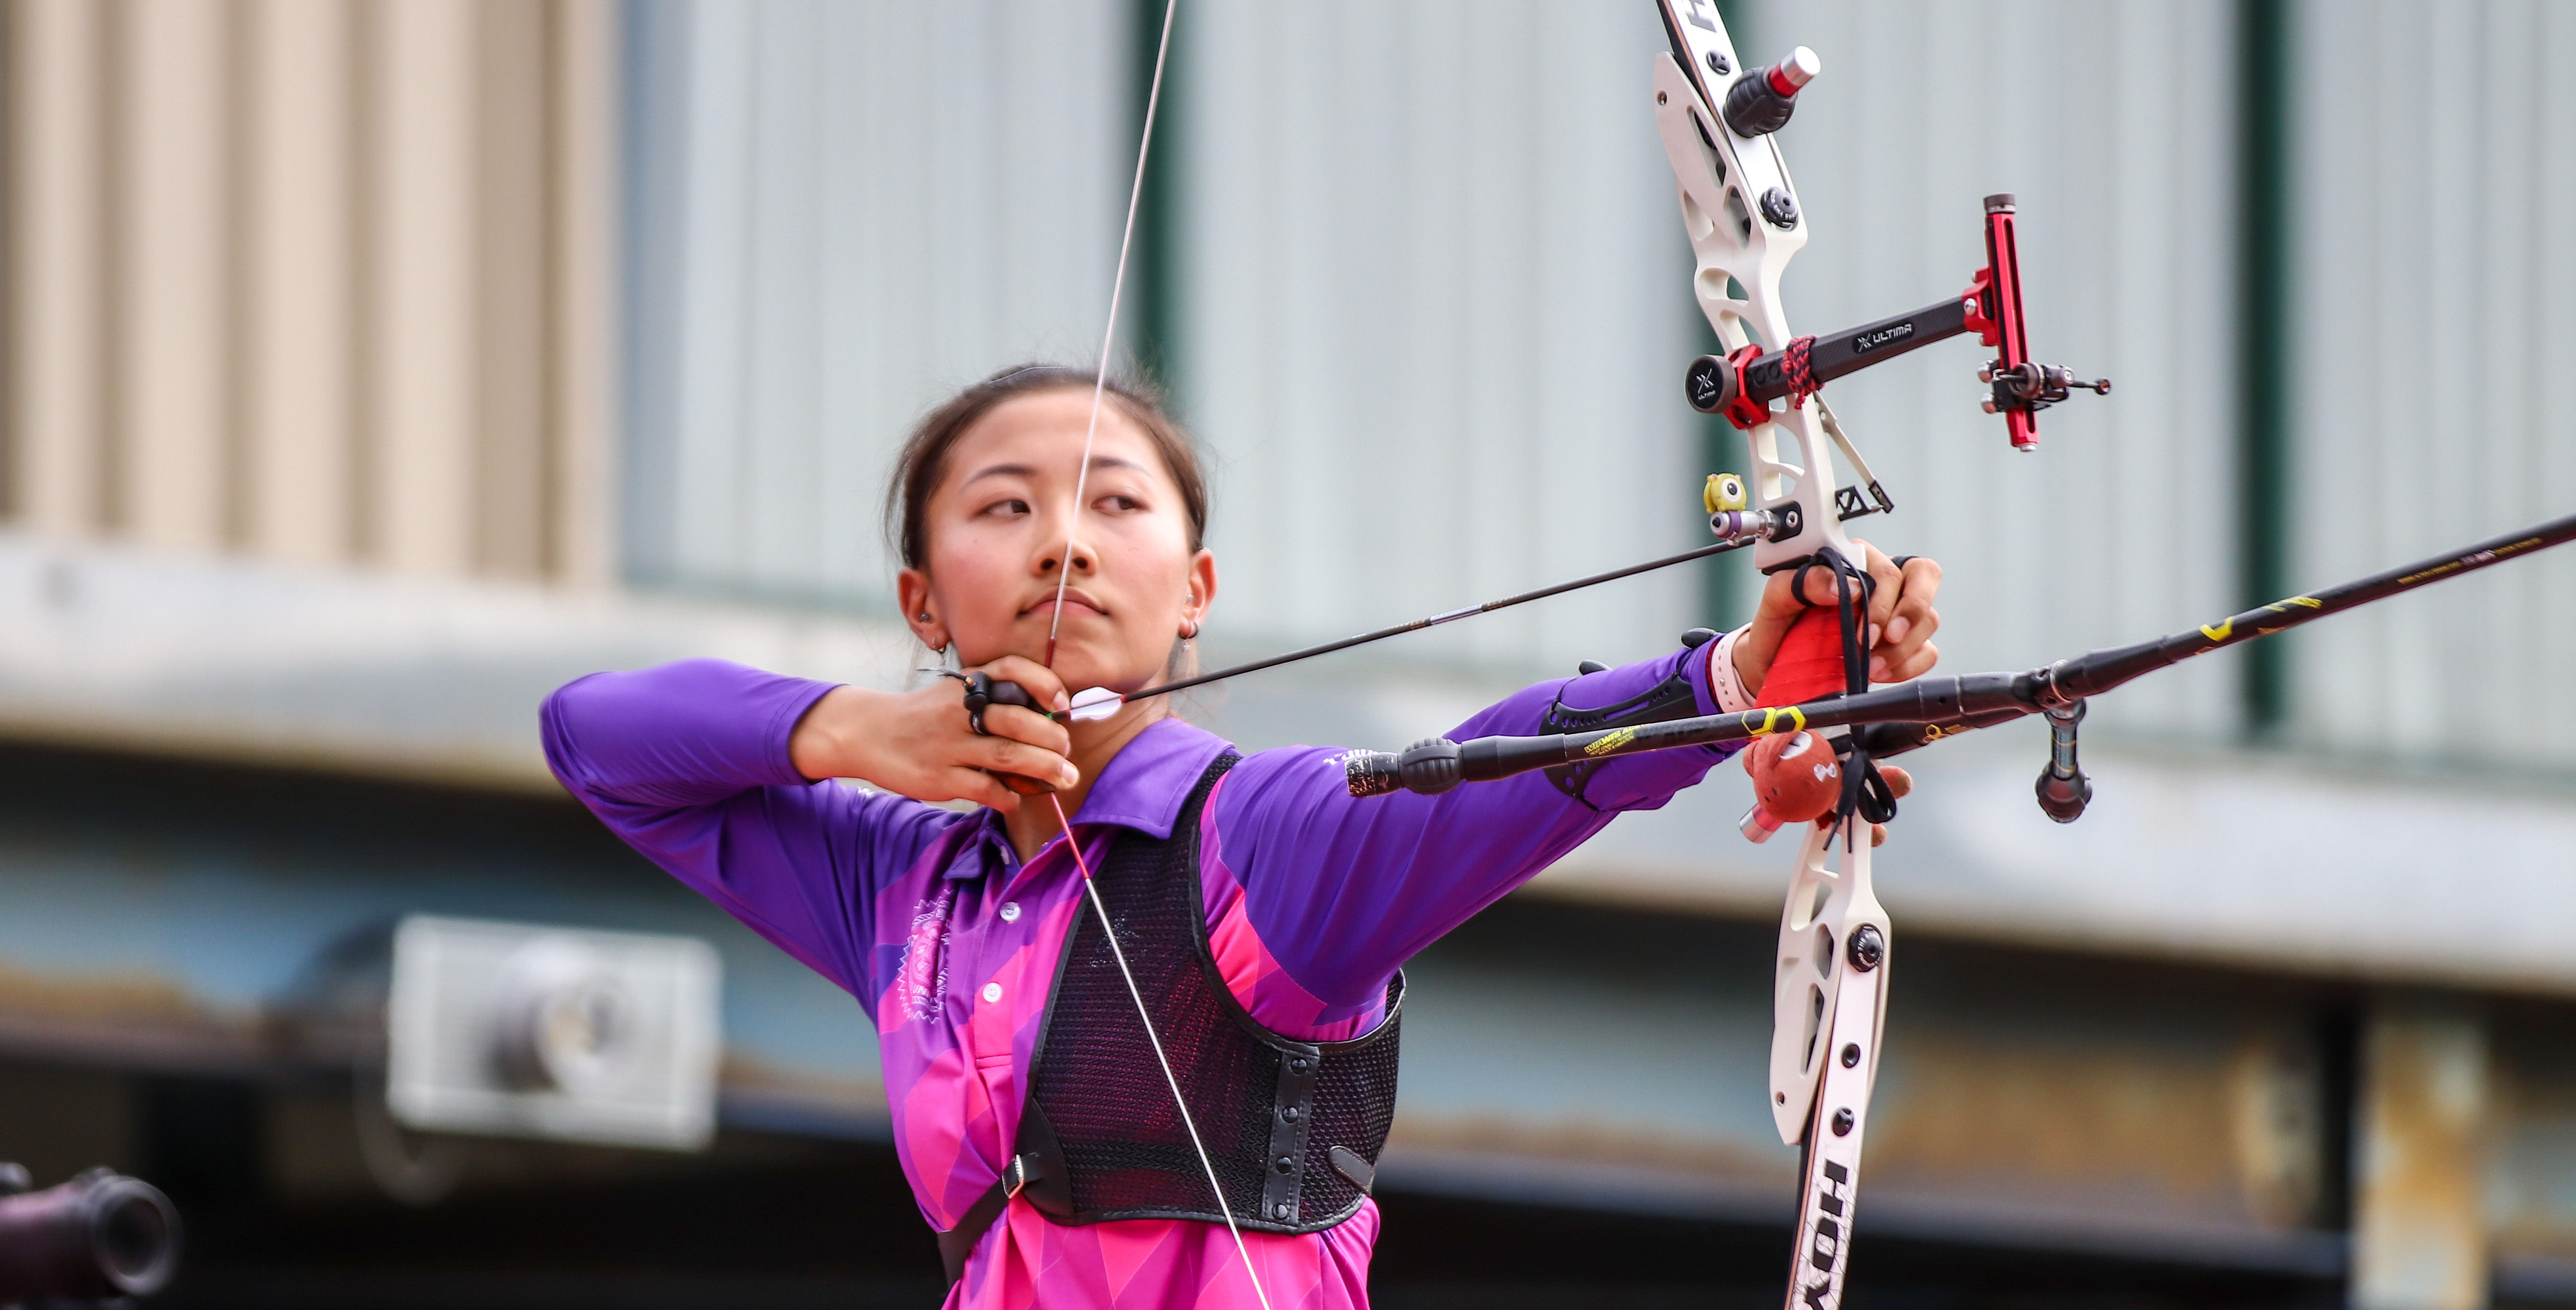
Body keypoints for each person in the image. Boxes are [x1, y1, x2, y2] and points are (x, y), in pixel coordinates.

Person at [541, 363, 1943, 1310]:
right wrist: (854, 732)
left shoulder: (1251, 842)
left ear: (1194, 586)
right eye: (1004, 505)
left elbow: (1504, 769)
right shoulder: (902, 880)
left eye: (1114, 503)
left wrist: (1728, 685)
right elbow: (594, 736)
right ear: (924, 604)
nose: (1063, 544)